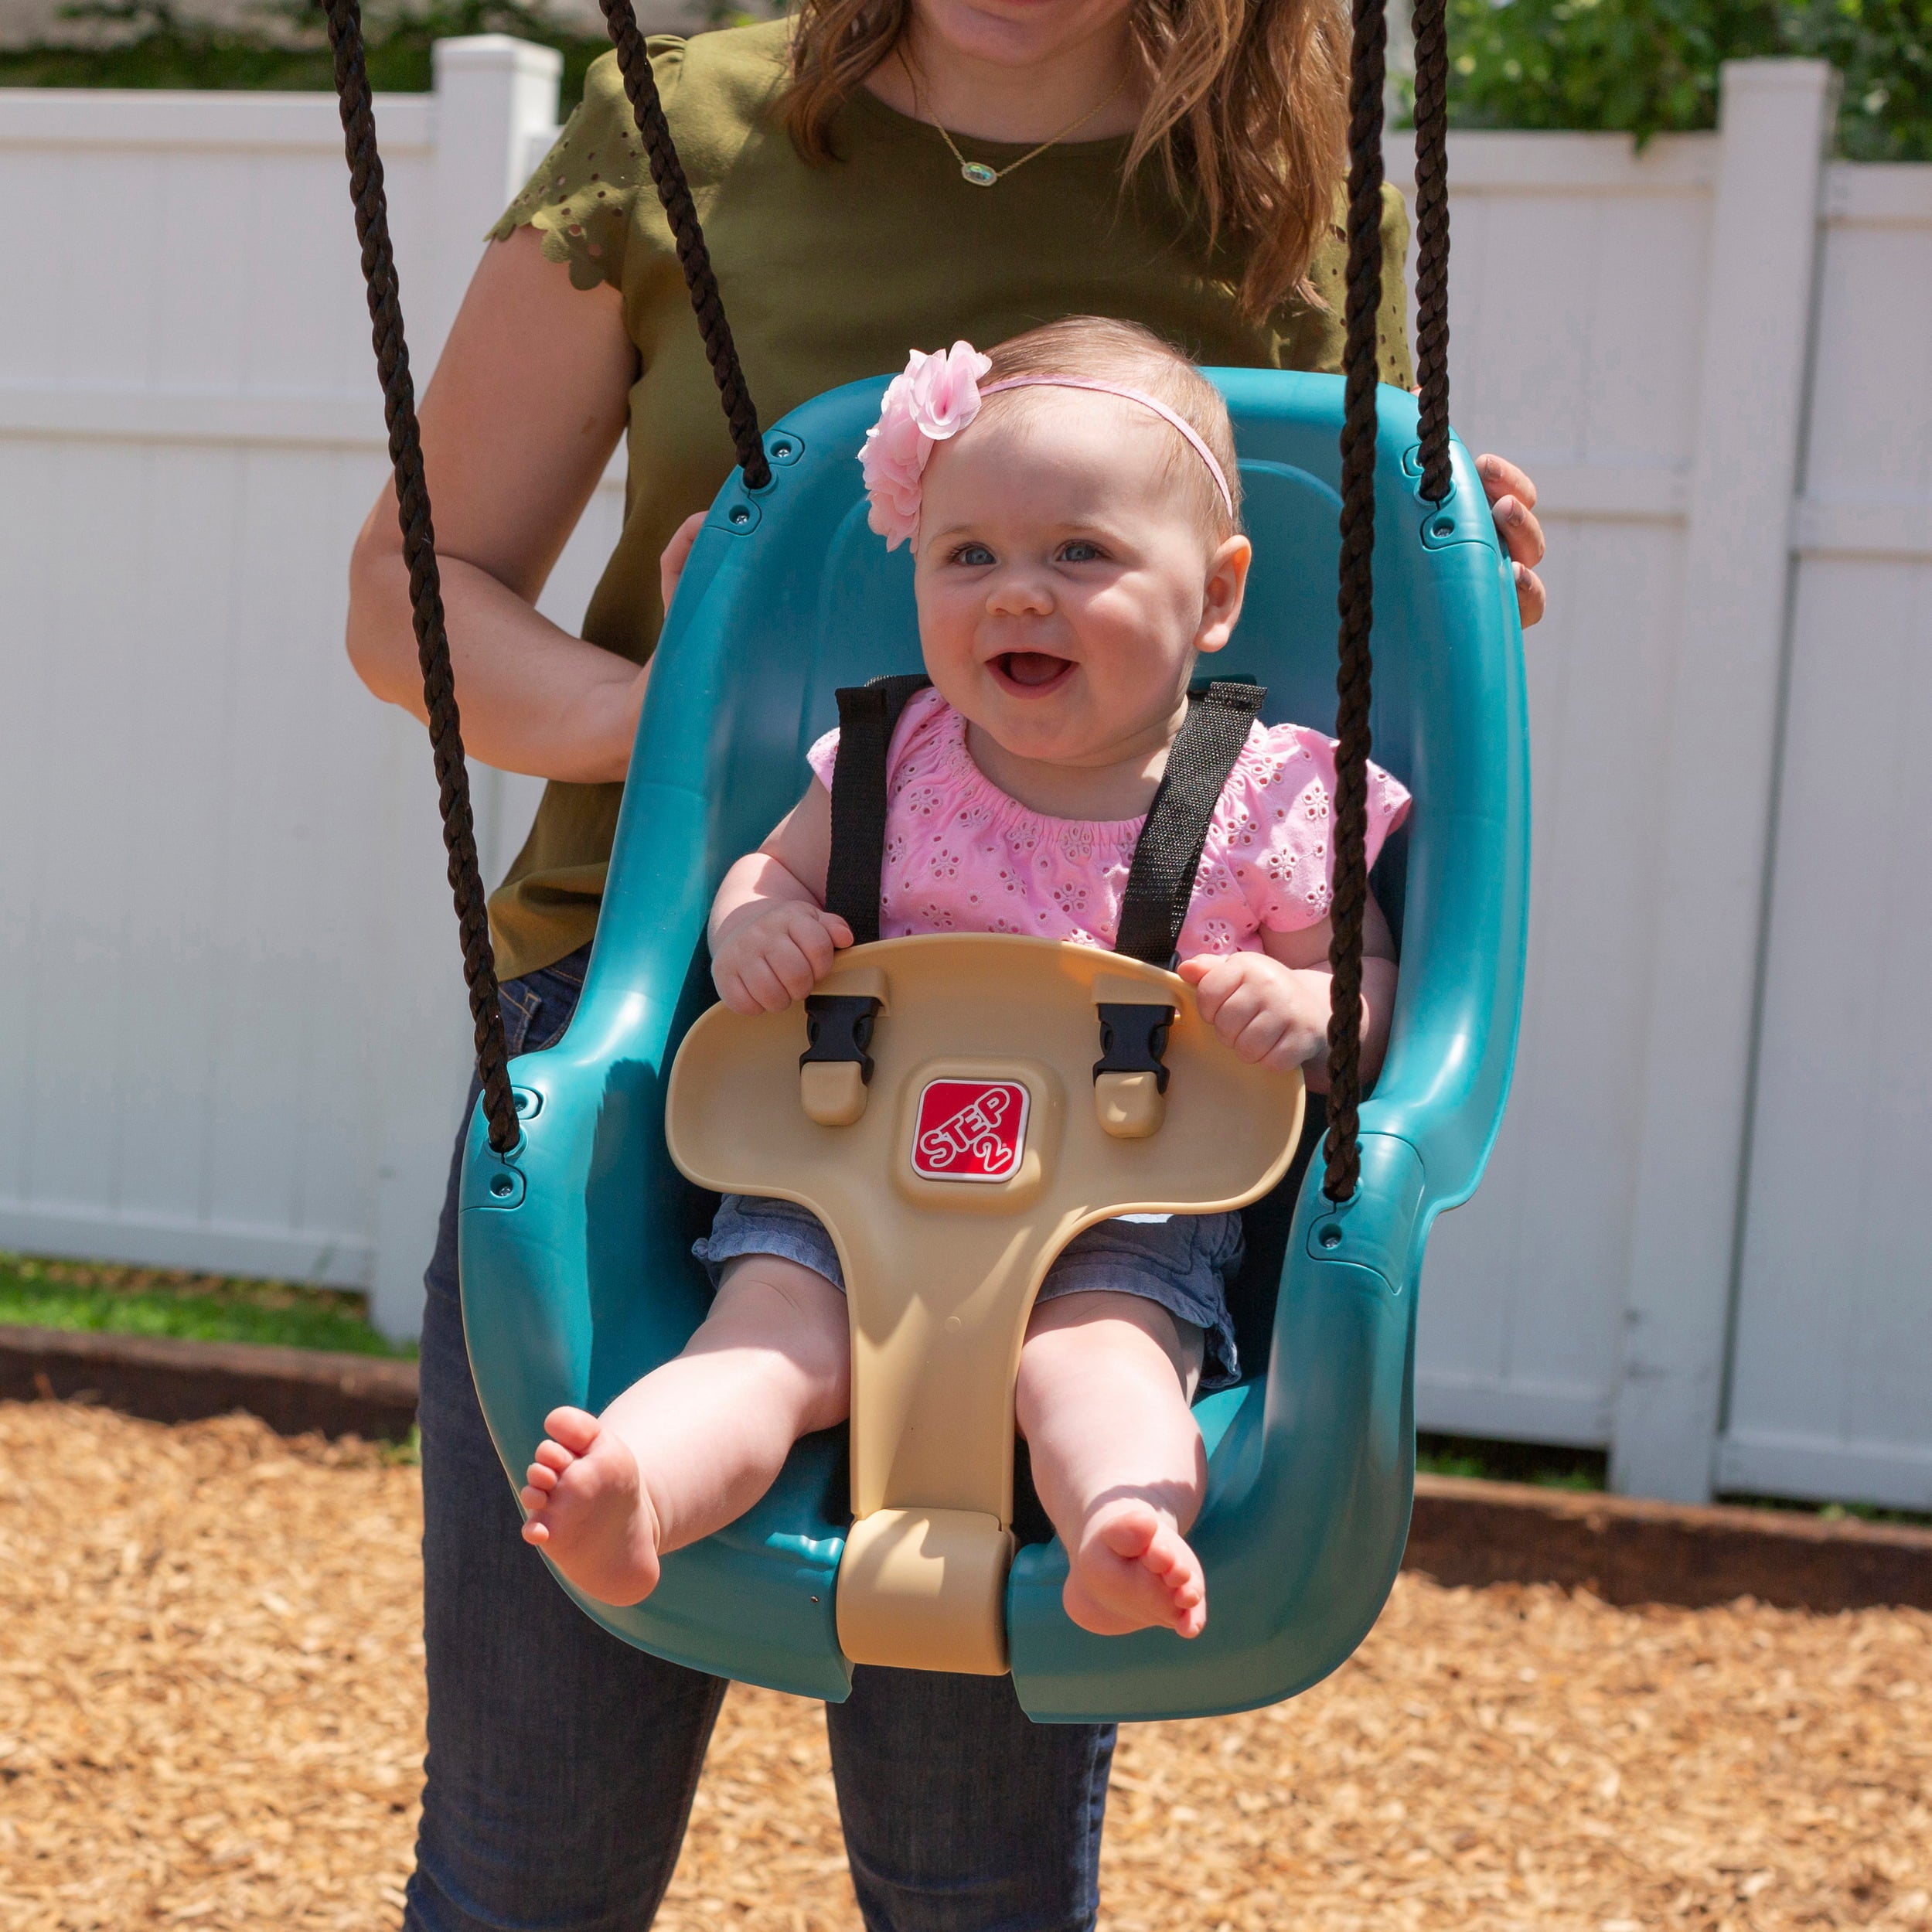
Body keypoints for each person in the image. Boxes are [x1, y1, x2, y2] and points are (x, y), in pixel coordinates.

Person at [345, 2, 1547, 1926]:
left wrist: (1449, 568)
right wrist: (700, 759)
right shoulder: (683, 133)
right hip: (702, 1039)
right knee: (527, 1848)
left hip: (1115, 1115)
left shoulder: (1270, 179)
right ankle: (643, 1477)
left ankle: (1121, 1514)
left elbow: (1332, 605)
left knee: (967, 1865)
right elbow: (414, 598)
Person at [516, 318, 1410, 1642]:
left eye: (1081, 554)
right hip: (847, 1179)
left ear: (1217, 594)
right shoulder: (895, 754)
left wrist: (1317, 1012)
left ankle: (1122, 1527)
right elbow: (770, 874)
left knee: (1098, 1369)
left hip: (1120, 1214)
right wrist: (752, 928)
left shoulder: (1270, 793)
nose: (1018, 593)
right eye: (969, 555)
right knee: (765, 1345)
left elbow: (1373, 988)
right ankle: (636, 1493)